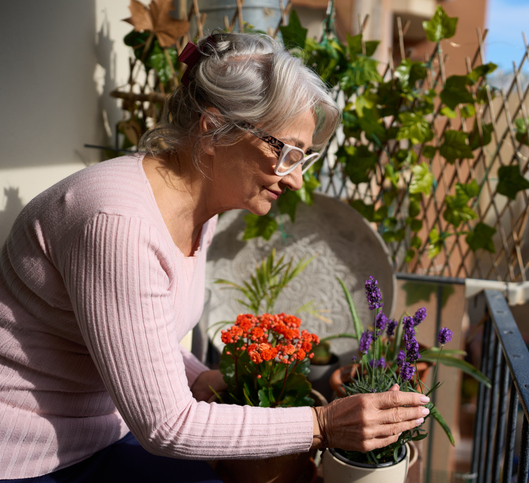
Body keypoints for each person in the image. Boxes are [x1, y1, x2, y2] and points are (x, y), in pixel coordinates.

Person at [0, 33, 429, 482]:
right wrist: (323, 425)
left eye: (305, 158)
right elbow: (166, 426)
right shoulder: (118, 222)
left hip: (101, 435)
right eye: (285, 152)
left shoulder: (195, 208)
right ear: (213, 129)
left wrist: (198, 376)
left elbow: (135, 331)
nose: (296, 179)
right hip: (31, 457)